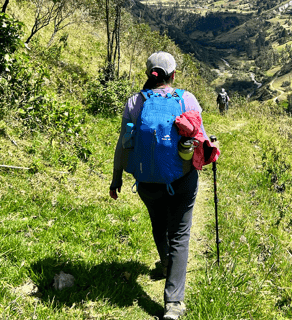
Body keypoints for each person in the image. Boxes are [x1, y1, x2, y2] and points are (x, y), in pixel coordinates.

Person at [109, 51, 211, 320]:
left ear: (148, 74)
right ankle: (174, 304)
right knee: (180, 233)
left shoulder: (135, 101)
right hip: (182, 178)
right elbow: (198, 139)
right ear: (173, 75)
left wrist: (116, 177)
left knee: (158, 223)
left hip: (146, 181)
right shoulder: (187, 99)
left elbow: (123, 144)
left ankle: (165, 263)